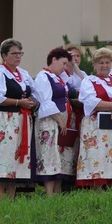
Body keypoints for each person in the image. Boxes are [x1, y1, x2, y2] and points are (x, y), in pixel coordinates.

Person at [0, 38, 37, 200]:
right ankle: (1, 198)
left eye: (20, 53)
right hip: (3, 120)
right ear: (4, 56)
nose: (18, 56)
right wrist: (19, 102)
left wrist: (33, 102)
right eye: (14, 53)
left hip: (20, 120)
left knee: (14, 159)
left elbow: (34, 92)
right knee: (1, 156)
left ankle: (11, 197)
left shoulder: (23, 74)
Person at [76, 47, 112, 188]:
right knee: (99, 156)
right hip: (98, 127)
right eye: (100, 63)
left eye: (107, 62)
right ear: (95, 65)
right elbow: (91, 101)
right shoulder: (89, 81)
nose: (104, 66)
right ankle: (97, 189)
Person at [32, 47, 76, 195]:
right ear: (54, 60)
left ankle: (57, 192)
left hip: (61, 121)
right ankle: (49, 193)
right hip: (49, 121)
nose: (64, 67)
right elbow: (46, 101)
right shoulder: (43, 76)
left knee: (60, 157)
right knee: (49, 155)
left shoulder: (59, 78)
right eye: (63, 63)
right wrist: (60, 120)